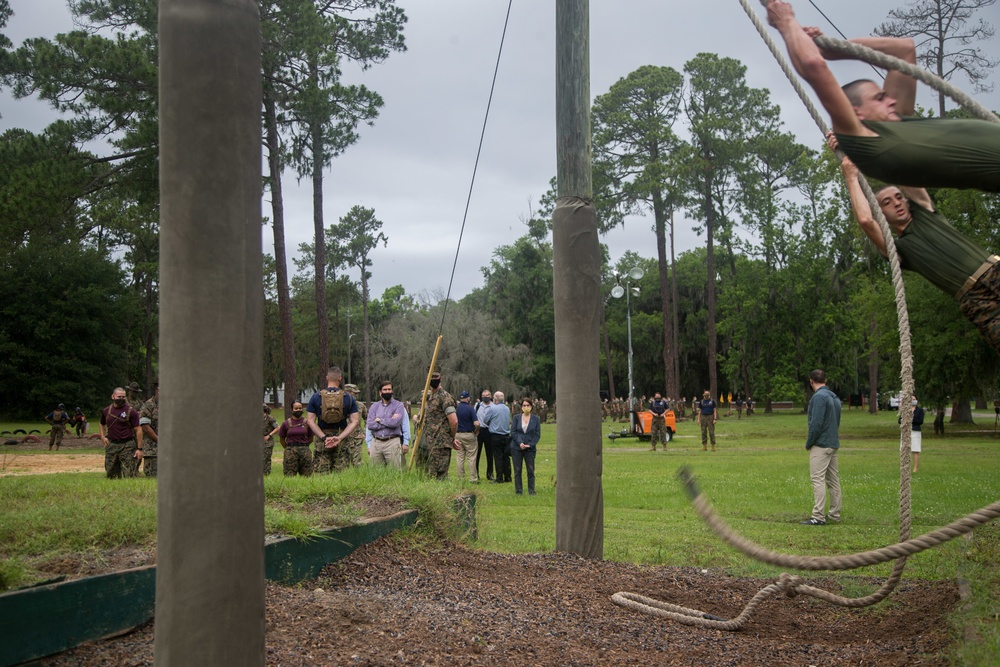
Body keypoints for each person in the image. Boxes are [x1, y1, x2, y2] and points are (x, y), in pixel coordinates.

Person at [766, 0, 1000, 194]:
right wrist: (785, 21)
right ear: (856, 113)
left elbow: (904, 49)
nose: (891, 100)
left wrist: (834, 50)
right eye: (879, 98)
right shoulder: (868, 145)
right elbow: (813, 66)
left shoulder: (900, 122)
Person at [833, 137, 1000, 353]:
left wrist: (852, 142)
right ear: (881, 214)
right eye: (887, 202)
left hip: (995, 271)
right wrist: (850, 176)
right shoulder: (899, 250)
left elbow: (902, 169)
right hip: (976, 302)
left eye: (899, 197)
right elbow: (866, 220)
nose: (896, 203)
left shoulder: (926, 212)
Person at [802, 369, 842, 525]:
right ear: (825, 380)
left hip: (821, 444)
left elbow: (816, 423)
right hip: (832, 443)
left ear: (811, 381)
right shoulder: (834, 396)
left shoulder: (819, 398)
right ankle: (834, 514)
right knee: (833, 481)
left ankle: (818, 516)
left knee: (817, 480)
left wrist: (809, 442)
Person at [306, 366, 360, 474]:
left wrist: (324, 437)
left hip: (322, 441)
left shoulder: (316, 397)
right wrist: (340, 437)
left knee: (321, 473)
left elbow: (310, 421)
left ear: (327, 378)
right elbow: (355, 421)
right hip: (341, 438)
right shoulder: (349, 398)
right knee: (341, 475)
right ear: (340, 378)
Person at [416, 368, 460, 479]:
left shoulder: (445, 397)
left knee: (439, 476)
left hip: (440, 444)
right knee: (425, 476)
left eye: (435, 377)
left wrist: (452, 437)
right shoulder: (430, 397)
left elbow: (454, 421)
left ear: (441, 378)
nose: (433, 379)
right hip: (427, 443)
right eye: (431, 377)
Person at [99, 387, 143, 478]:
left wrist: (139, 449)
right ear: (113, 396)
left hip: (127, 445)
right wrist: (103, 436)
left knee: (129, 473)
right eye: (119, 397)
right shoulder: (106, 411)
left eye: (123, 397)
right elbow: (101, 423)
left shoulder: (131, 412)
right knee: (111, 474)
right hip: (112, 445)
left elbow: (138, 430)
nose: (121, 399)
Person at [366, 380, 407, 468]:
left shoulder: (399, 405)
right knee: (375, 473)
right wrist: (389, 420)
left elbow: (396, 423)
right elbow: (370, 425)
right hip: (376, 442)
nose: (387, 391)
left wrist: (379, 420)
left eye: (389, 389)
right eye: (385, 390)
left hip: (392, 441)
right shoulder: (374, 407)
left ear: (392, 391)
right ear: (380, 392)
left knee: (395, 471)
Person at [279, 401, 323, 476]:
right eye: (296, 408)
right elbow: (282, 439)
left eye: (300, 408)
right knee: (289, 476)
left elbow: (311, 438)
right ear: (292, 409)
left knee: (307, 476)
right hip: (290, 452)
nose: (298, 410)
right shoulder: (286, 423)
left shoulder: (307, 423)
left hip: (305, 452)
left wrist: (304, 445)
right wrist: (289, 449)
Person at [510, 397, 541, 496]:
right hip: (517, 448)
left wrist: (530, 444)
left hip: (530, 449)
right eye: (524, 405)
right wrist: (520, 443)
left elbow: (537, 434)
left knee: (530, 470)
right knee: (517, 470)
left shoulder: (536, 419)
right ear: (521, 407)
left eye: (528, 405)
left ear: (531, 406)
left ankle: (531, 490)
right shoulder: (516, 418)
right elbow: (513, 432)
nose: (526, 407)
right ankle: (519, 491)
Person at [483, 390, 512, 483]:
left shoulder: (492, 408)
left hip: (496, 435)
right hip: (506, 435)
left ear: (495, 399)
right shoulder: (507, 409)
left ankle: (499, 478)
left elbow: (485, 420)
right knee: (506, 456)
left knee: (498, 456)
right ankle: (508, 476)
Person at [454, 391, 481, 483]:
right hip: (469, 434)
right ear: (468, 398)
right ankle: (473, 478)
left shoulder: (456, 408)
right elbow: (476, 423)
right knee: (471, 457)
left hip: (457, 434)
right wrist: (477, 430)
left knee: (460, 457)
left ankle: (461, 478)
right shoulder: (470, 409)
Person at [138, 383, 160, 478]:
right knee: (153, 478)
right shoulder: (148, 405)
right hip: (153, 451)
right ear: (157, 390)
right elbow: (145, 427)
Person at [899, 396, 925, 473]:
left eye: (914, 399)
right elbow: (900, 420)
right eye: (911, 399)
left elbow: (920, 421)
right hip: (905, 432)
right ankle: (905, 467)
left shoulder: (920, 410)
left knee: (915, 449)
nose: (913, 401)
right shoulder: (905, 409)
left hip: (915, 431)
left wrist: (909, 419)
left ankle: (915, 468)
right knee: (904, 449)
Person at [343, 384, 367, 468]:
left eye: (357, 393)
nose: (356, 395)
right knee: (343, 464)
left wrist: (365, 431)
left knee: (357, 463)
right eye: (354, 393)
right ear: (347, 393)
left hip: (357, 438)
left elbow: (367, 419)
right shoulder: (340, 405)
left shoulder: (360, 406)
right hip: (343, 437)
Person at [474, 390, 495, 481]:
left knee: (489, 453)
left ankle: (490, 474)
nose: (485, 397)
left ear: (490, 396)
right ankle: (476, 474)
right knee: (477, 453)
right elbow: (474, 417)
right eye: (483, 395)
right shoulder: (477, 405)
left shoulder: (494, 406)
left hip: (489, 430)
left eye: (487, 395)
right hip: (479, 430)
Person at [262, 404, 279, 475]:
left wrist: (269, 435)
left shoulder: (270, 418)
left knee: (265, 458)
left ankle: (266, 474)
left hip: (267, 442)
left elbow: (277, 427)